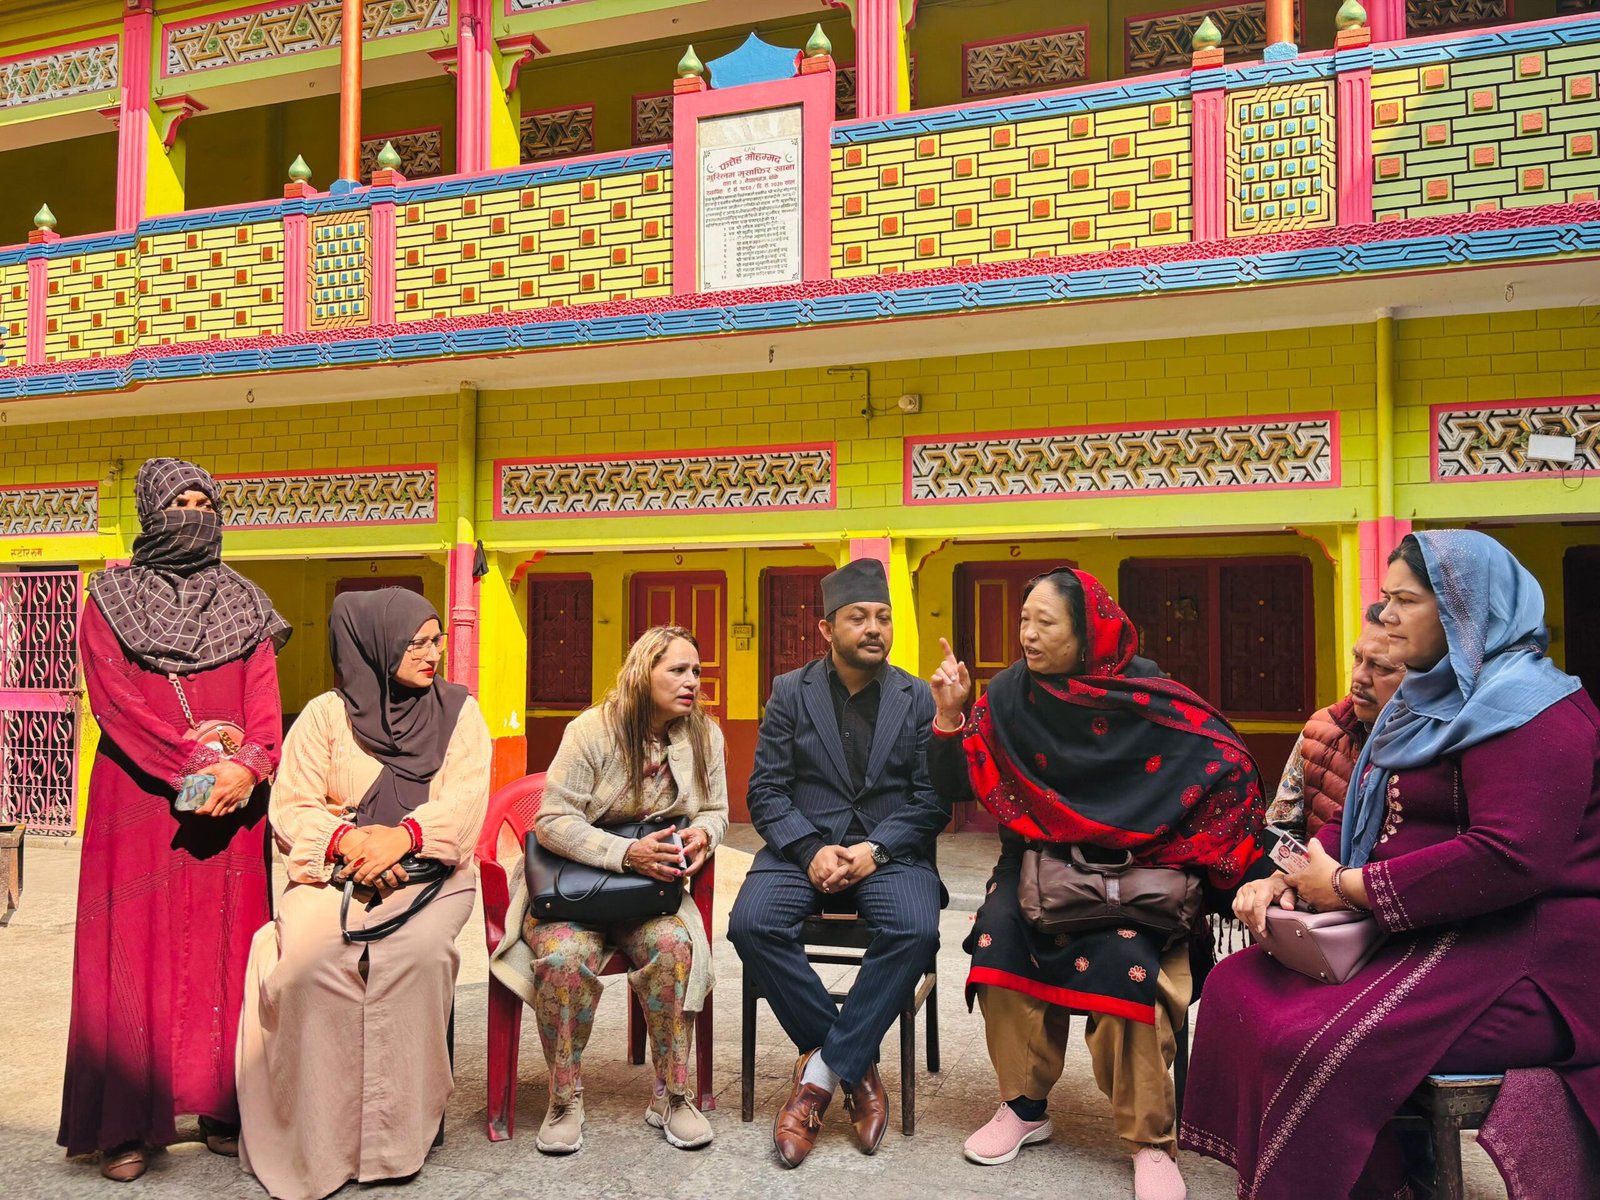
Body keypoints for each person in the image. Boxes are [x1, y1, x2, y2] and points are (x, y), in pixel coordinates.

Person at [1181, 531, 1600, 1200]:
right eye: (1385, 597)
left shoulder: (1535, 714)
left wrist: (1350, 887)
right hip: (1427, 931)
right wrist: (1289, 876)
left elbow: (1510, 857)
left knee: (1313, 1042)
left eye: (1407, 601)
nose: (1388, 615)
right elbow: (1364, 816)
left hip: (1528, 957)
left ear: (1467, 611)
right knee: (1239, 983)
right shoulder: (1422, 702)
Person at [928, 567, 1266, 1200]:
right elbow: (953, 786)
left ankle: (1150, 1142)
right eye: (1023, 621)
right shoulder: (1010, 696)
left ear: (1088, 633)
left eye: (1045, 622)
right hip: (1038, 865)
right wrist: (950, 715)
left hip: (1138, 876)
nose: (1027, 635)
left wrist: (1239, 869)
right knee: (998, 940)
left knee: (1126, 967)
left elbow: (1226, 763)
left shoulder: (1147, 697)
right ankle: (1023, 1107)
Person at [58, 458, 289, 1183]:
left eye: (205, 503)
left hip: (231, 807)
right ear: (150, 513)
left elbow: (265, 703)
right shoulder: (108, 599)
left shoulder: (247, 602)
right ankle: (124, 1124)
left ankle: (223, 1106)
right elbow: (114, 702)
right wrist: (195, 762)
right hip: (139, 797)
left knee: (229, 948)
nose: (194, 514)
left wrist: (248, 766)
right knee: (133, 949)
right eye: (179, 502)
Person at [236, 588, 489, 1200]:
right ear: (375, 646)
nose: (432, 653)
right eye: (416, 642)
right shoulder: (325, 716)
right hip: (333, 870)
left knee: (415, 959)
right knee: (309, 966)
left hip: (429, 874)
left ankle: (393, 1141)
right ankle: (319, 1140)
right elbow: (291, 806)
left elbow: (465, 805)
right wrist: (350, 844)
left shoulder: (460, 714)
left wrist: (402, 839)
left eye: (436, 640)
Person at [729, 557, 947, 1167]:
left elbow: (931, 799)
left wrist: (876, 850)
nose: (874, 628)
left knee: (915, 927)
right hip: (804, 847)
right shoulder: (789, 692)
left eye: (883, 617)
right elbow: (766, 791)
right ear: (827, 628)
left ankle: (821, 1076)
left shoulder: (917, 698)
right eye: (858, 617)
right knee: (751, 924)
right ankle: (859, 1067)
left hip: (889, 851)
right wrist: (808, 849)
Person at [488, 625, 727, 1155]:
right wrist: (625, 853)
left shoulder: (705, 735)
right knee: (564, 958)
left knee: (674, 948)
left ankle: (672, 1095)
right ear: (643, 673)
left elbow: (716, 810)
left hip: (650, 895)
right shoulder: (591, 731)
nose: (692, 681)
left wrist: (703, 835)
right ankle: (564, 1098)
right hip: (574, 892)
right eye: (678, 670)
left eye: (695, 671)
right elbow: (552, 821)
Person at [1264, 602, 1406, 839]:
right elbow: (1280, 829)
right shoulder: (1320, 730)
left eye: (1380, 667)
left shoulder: (1440, 742)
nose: (1359, 677)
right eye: (1357, 658)